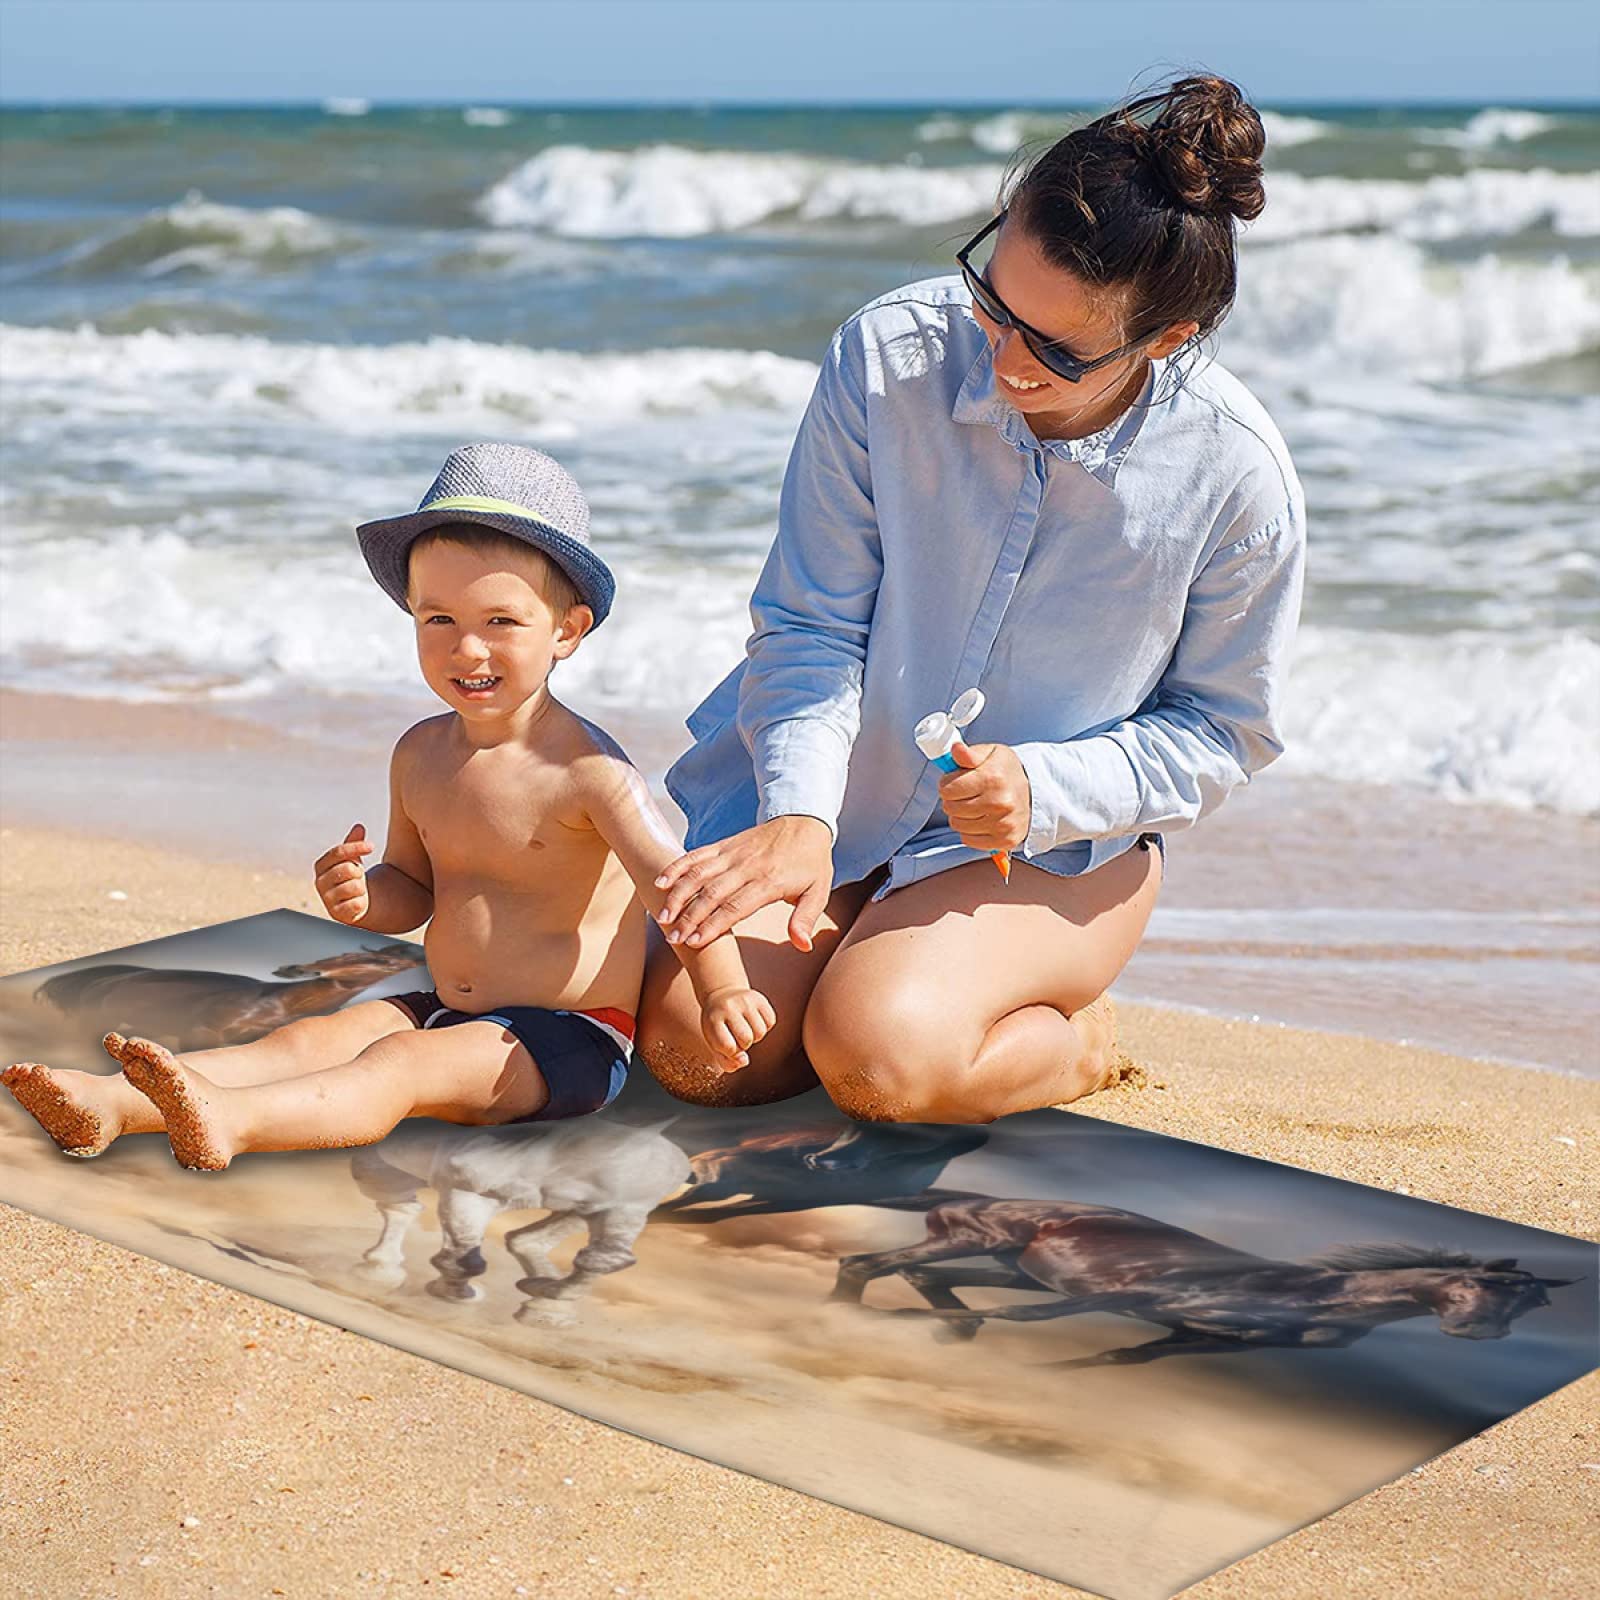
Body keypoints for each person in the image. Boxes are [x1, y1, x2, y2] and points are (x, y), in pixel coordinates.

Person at [638, 76, 1306, 1124]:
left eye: (1053, 349)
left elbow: (1225, 731)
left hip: (1038, 846)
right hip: (840, 791)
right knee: (699, 1053)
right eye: (993, 300)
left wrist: (1045, 786)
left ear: (1165, 340)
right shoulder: (884, 356)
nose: (1001, 360)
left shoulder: (1235, 477)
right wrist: (801, 814)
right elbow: (810, 623)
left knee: (878, 1063)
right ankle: (874, 974)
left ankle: (1069, 1039)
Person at [3, 443, 774, 1170]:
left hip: (565, 1040)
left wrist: (724, 990)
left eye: (500, 622)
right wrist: (364, 897)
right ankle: (108, 1102)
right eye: (438, 619)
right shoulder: (421, 753)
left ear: (567, 631)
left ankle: (236, 1122)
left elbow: (679, 892)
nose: (466, 650)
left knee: (398, 1066)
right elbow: (414, 888)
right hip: (442, 1004)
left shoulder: (590, 773)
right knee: (311, 1040)